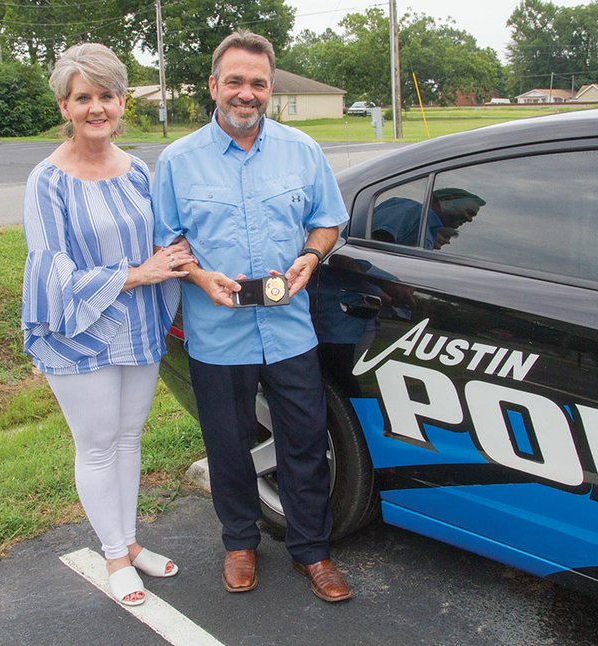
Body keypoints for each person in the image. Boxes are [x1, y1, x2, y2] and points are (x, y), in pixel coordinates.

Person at [152, 30, 352, 602]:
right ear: (214, 86)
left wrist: (311, 257)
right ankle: (239, 543)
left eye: (258, 83)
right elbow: (168, 242)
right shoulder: (178, 161)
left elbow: (327, 220)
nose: (247, 93)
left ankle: (313, 552)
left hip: (289, 331)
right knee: (227, 444)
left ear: (271, 90)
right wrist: (196, 275)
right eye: (235, 81)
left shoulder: (302, 151)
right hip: (217, 335)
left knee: (305, 442)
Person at [20, 43, 195, 607]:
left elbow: (160, 243)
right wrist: (139, 275)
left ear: (122, 102)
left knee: (127, 439)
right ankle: (114, 557)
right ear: (65, 106)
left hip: (138, 330)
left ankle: (129, 541)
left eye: (106, 96)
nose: (96, 107)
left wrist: (184, 261)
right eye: (83, 98)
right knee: (96, 447)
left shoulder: (137, 169)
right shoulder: (47, 181)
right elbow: (52, 270)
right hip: (78, 335)